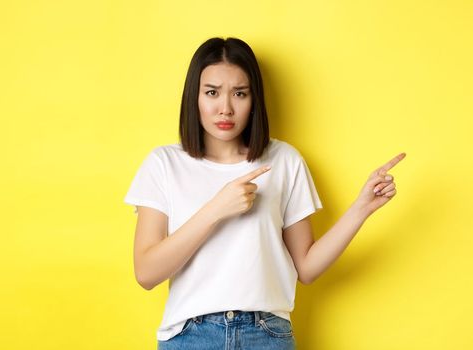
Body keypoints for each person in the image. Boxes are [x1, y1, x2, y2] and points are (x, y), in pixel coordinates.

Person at [123, 37, 405, 349]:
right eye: (212, 92)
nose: (226, 108)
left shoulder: (284, 160)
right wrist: (217, 208)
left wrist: (362, 207)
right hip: (191, 336)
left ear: (254, 99)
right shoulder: (164, 163)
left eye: (239, 94)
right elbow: (146, 273)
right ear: (195, 97)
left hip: (266, 334)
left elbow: (307, 268)